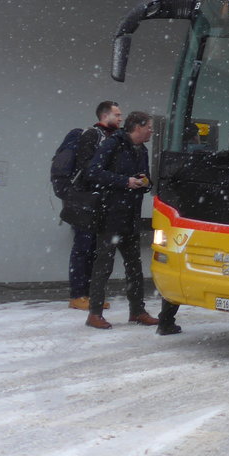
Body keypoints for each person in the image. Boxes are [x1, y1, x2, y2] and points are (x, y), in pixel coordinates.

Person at [84, 111, 159, 330]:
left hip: (130, 216)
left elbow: (143, 177)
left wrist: (146, 182)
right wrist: (124, 181)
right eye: (149, 127)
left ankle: (137, 311)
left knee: (134, 266)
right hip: (110, 216)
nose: (152, 131)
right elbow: (93, 172)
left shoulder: (141, 150)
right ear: (137, 127)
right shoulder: (112, 144)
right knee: (103, 266)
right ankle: (94, 313)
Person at [65, 100, 122, 311]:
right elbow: (87, 169)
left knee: (95, 250)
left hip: (101, 201)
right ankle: (78, 294)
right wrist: (106, 176)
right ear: (104, 116)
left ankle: (90, 294)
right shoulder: (92, 135)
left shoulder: (113, 137)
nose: (120, 118)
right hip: (87, 201)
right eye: (117, 114)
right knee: (83, 247)